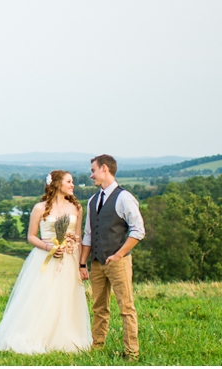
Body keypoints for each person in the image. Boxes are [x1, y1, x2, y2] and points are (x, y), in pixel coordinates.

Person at [0, 170, 92, 354]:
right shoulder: (40, 208)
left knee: (67, 297)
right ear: (57, 184)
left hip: (69, 258)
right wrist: (48, 247)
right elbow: (31, 237)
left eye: (72, 182)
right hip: (45, 258)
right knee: (43, 296)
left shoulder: (76, 208)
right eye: (69, 181)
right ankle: (36, 334)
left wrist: (81, 264)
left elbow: (79, 236)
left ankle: (64, 337)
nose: (73, 185)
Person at [79, 154, 144, 360]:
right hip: (98, 262)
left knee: (126, 307)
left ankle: (131, 352)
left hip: (119, 262)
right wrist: (83, 263)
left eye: (93, 170)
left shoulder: (124, 197)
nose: (91, 175)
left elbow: (138, 230)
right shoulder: (92, 200)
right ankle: (97, 345)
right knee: (99, 307)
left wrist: (119, 254)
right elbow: (88, 235)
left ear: (104, 168)